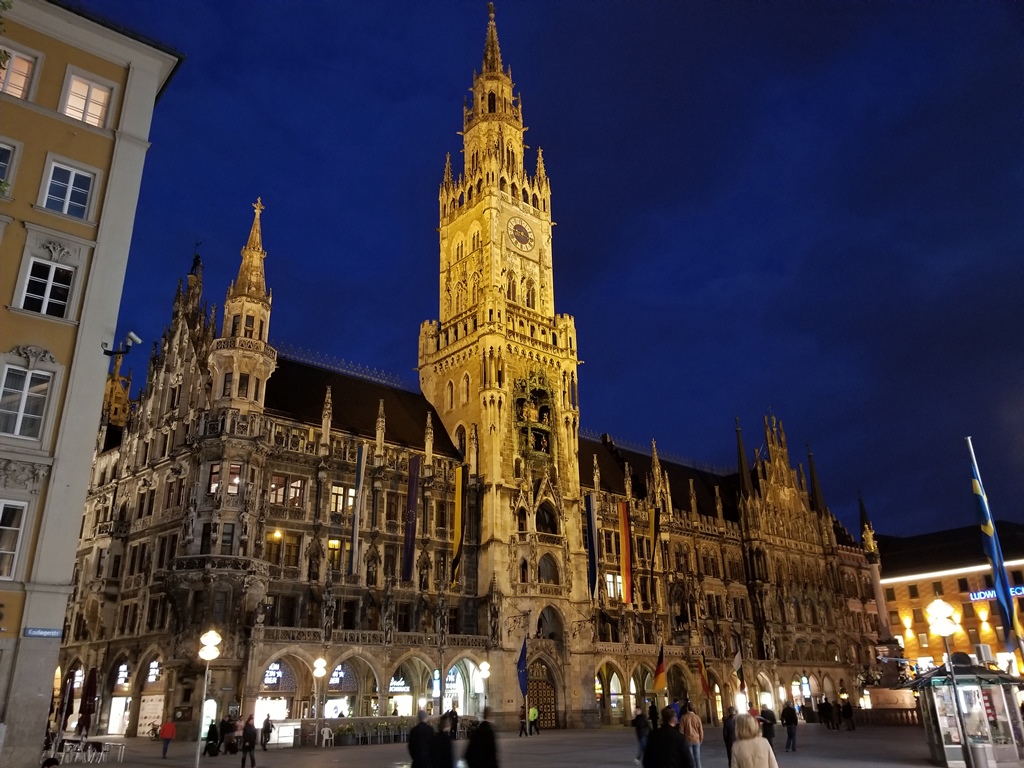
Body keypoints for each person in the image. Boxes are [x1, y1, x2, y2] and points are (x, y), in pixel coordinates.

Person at [678, 702, 703, 768]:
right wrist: (701, 739)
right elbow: (701, 730)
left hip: (687, 740)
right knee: (697, 759)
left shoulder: (683, 717)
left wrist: (682, 741)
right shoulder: (697, 717)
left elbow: (681, 731)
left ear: (687, 708)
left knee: (690, 760)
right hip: (696, 739)